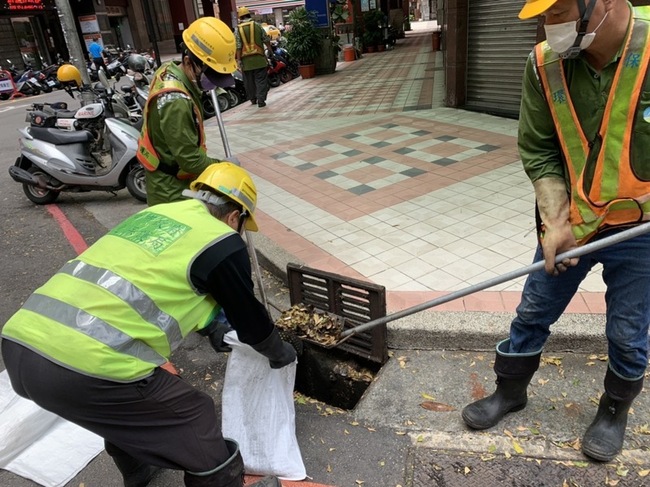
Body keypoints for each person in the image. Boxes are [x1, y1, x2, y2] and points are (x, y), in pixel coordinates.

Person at [1, 163, 294, 487]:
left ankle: (141, 473)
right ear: (234, 217)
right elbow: (250, 321)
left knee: (129, 414)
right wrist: (279, 352)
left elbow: (161, 283)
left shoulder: (153, 218)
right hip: (80, 367)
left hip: (21, 349)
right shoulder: (222, 240)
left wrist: (211, 326)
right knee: (195, 415)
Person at [462, 0, 650, 463]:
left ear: (602, 4)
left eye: (559, 10)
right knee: (532, 309)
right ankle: (510, 391)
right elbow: (540, 148)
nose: (551, 26)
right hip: (574, 222)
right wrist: (555, 222)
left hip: (641, 231)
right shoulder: (543, 64)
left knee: (628, 332)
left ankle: (612, 413)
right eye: (544, 16)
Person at [138, 17, 239, 207]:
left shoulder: (169, 69)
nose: (213, 81)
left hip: (174, 176)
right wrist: (223, 167)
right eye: (210, 73)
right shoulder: (176, 102)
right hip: (170, 189)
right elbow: (190, 160)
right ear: (188, 61)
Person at [234, 7, 274, 108]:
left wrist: (238, 60)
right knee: (261, 80)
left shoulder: (238, 29)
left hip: (246, 62)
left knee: (249, 81)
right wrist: (270, 50)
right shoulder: (257, 25)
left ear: (240, 17)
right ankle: (261, 99)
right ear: (249, 15)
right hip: (259, 59)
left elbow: (238, 46)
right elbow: (265, 39)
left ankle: (253, 99)